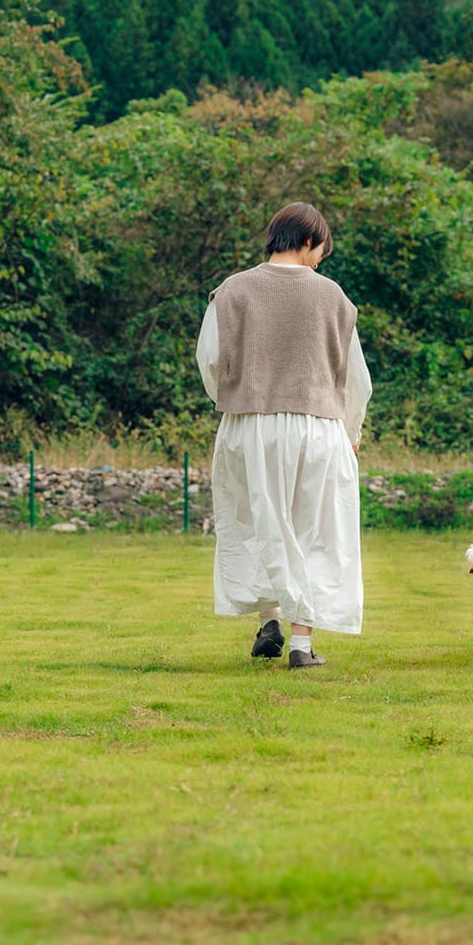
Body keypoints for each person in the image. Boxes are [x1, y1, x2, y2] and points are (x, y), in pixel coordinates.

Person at [196, 202, 372, 669]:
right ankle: (300, 647)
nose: (319, 262)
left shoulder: (232, 291)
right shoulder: (333, 297)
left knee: (258, 522)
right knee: (314, 532)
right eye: (321, 252)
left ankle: (269, 616)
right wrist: (351, 428)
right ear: (310, 241)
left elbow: (209, 361)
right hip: (317, 427)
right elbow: (355, 379)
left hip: (249, 425)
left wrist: (236, 397)